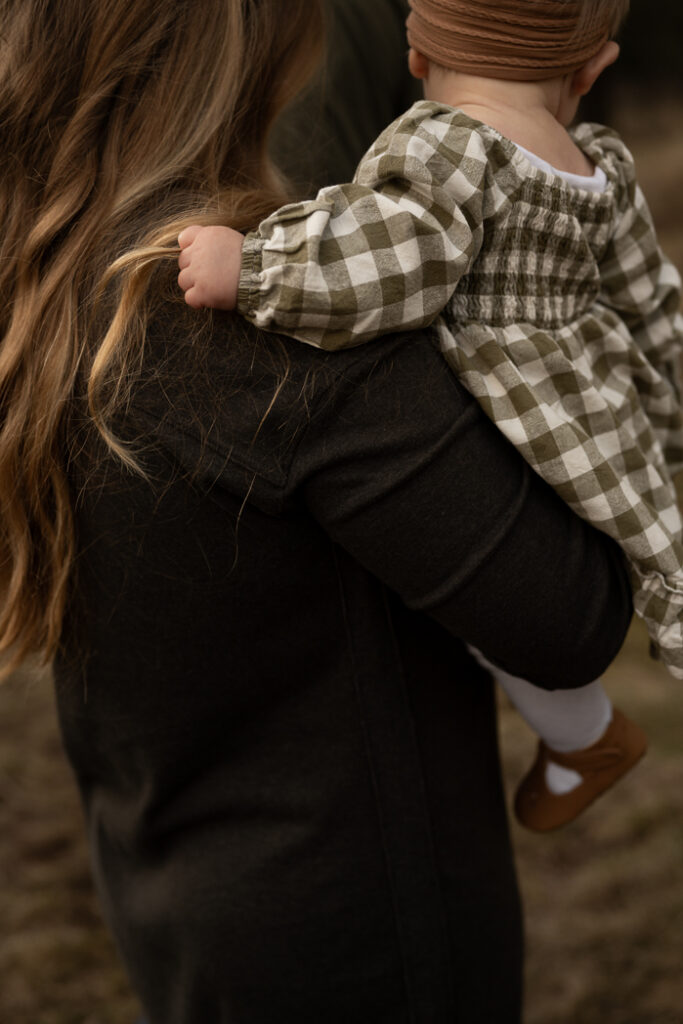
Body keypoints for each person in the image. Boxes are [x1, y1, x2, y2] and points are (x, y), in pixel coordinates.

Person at [0, 0, 633, 1020]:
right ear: (240, 49)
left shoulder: (63, 264)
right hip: (359, 938)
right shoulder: (269, 317)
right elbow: (568, 615)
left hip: (174, 883)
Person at [176, 0, 682, 830]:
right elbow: (648, 300)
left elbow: (389, 263)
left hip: (500, 413)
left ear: (415, 54)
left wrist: (255, 268)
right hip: (583, 421)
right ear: (591, 71)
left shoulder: (446, 143)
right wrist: (663, 400)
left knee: (484, 597)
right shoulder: (603, 163)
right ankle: (581, 733)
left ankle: (586, 734)